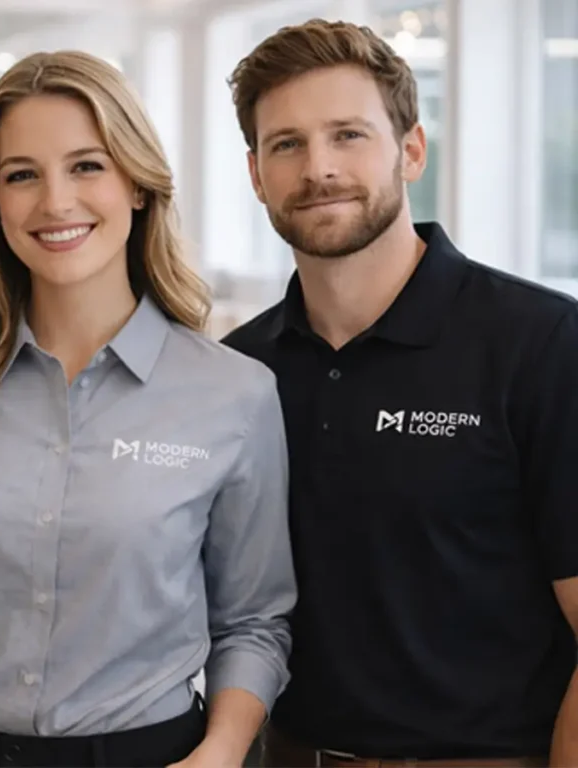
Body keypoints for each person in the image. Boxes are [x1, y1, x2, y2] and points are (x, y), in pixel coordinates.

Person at [0, 50, 296, 768]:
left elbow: (253, 622)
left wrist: (220, 753)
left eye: (87, 166)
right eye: (21, 175)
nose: (55, 202)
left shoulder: (234, 395)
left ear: (139, 185)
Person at [221, 18, 578, 768]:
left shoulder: (543, 344)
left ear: (411, 150)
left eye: (348, 135)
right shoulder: (237, 372)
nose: (319, 168)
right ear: (256, 174)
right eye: (286, 144)